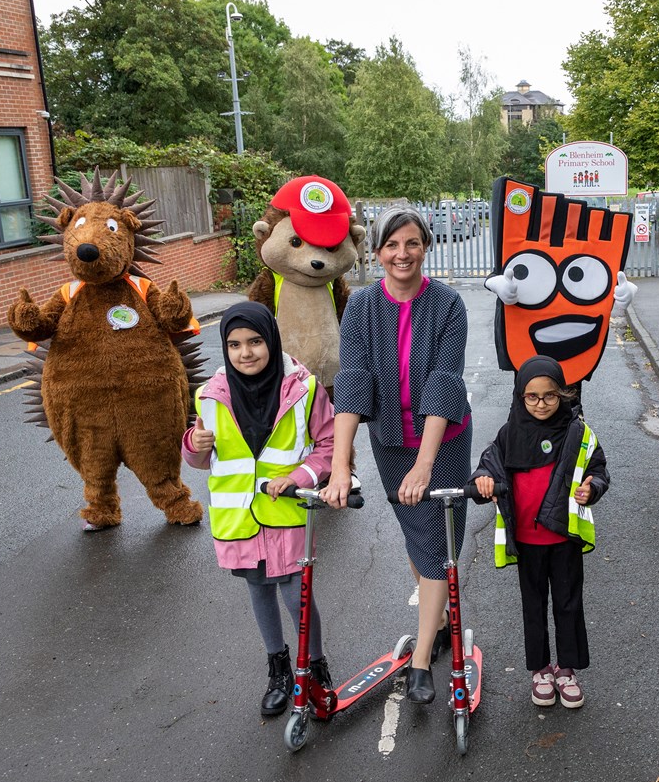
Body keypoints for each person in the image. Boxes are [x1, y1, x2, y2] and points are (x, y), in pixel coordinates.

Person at [321, 205, 473, 705]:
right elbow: (354, 382)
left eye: (411, 243)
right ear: (377, 251)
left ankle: (425, 657)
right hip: (389, 440)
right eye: (391, 245)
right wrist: (341, 464)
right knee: (417, 532)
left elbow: (443, 382)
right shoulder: (362, 306)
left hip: (442, 444)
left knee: (435, 543)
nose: (401, 254)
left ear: (425, 246)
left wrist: (426, 463)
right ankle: (442, 617)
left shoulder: (448, 304)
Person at [181, 302, 336, 717]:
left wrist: (301, 477)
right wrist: (192, 447)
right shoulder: (209, 395)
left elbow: (329, 445)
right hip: (238, 519)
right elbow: (202, 456)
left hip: (284, 512)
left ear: (272, 340)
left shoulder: (303, 389)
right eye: (234, 344)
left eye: (255, 342)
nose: (245, 353)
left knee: (295, 596)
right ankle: (279, 669)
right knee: (259, 590)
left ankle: (314, 666)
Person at [473, 355, 610, 709]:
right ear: (519, 397)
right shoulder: (508, 434)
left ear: (563, 394)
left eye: (549, 395)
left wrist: (592, 487)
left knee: (568, 603)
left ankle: (567, 669)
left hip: (564, 537)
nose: (541, 403)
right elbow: (485, 466)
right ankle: (540, 670)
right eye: (531, 397)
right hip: (527, 541)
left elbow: (598, 469)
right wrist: (482, 480)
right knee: (533, 606)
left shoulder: (578, 432)